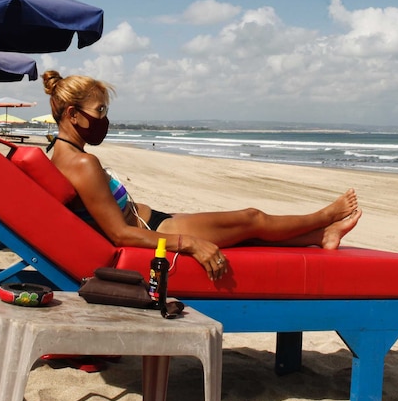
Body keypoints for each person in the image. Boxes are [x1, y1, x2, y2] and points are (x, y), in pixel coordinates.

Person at [42, 70, 362, 281]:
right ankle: (325, 216)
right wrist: (190, 244)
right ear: (73, 114)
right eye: (99, 111)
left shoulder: (60, 154)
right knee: (253, 219)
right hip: (159, 231)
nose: (104, 119)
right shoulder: (84, 164)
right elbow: (121, 235)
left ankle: (321, 236)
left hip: (156, 222)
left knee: (244, 233)